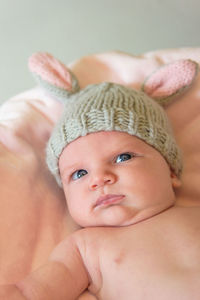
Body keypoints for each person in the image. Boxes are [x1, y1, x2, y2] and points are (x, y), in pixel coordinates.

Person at [8, 81, 200, 300]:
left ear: (171, 172)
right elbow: (31, 292)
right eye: (79, 173)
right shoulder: (83, 247)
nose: (99, 179)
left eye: (123, 157)